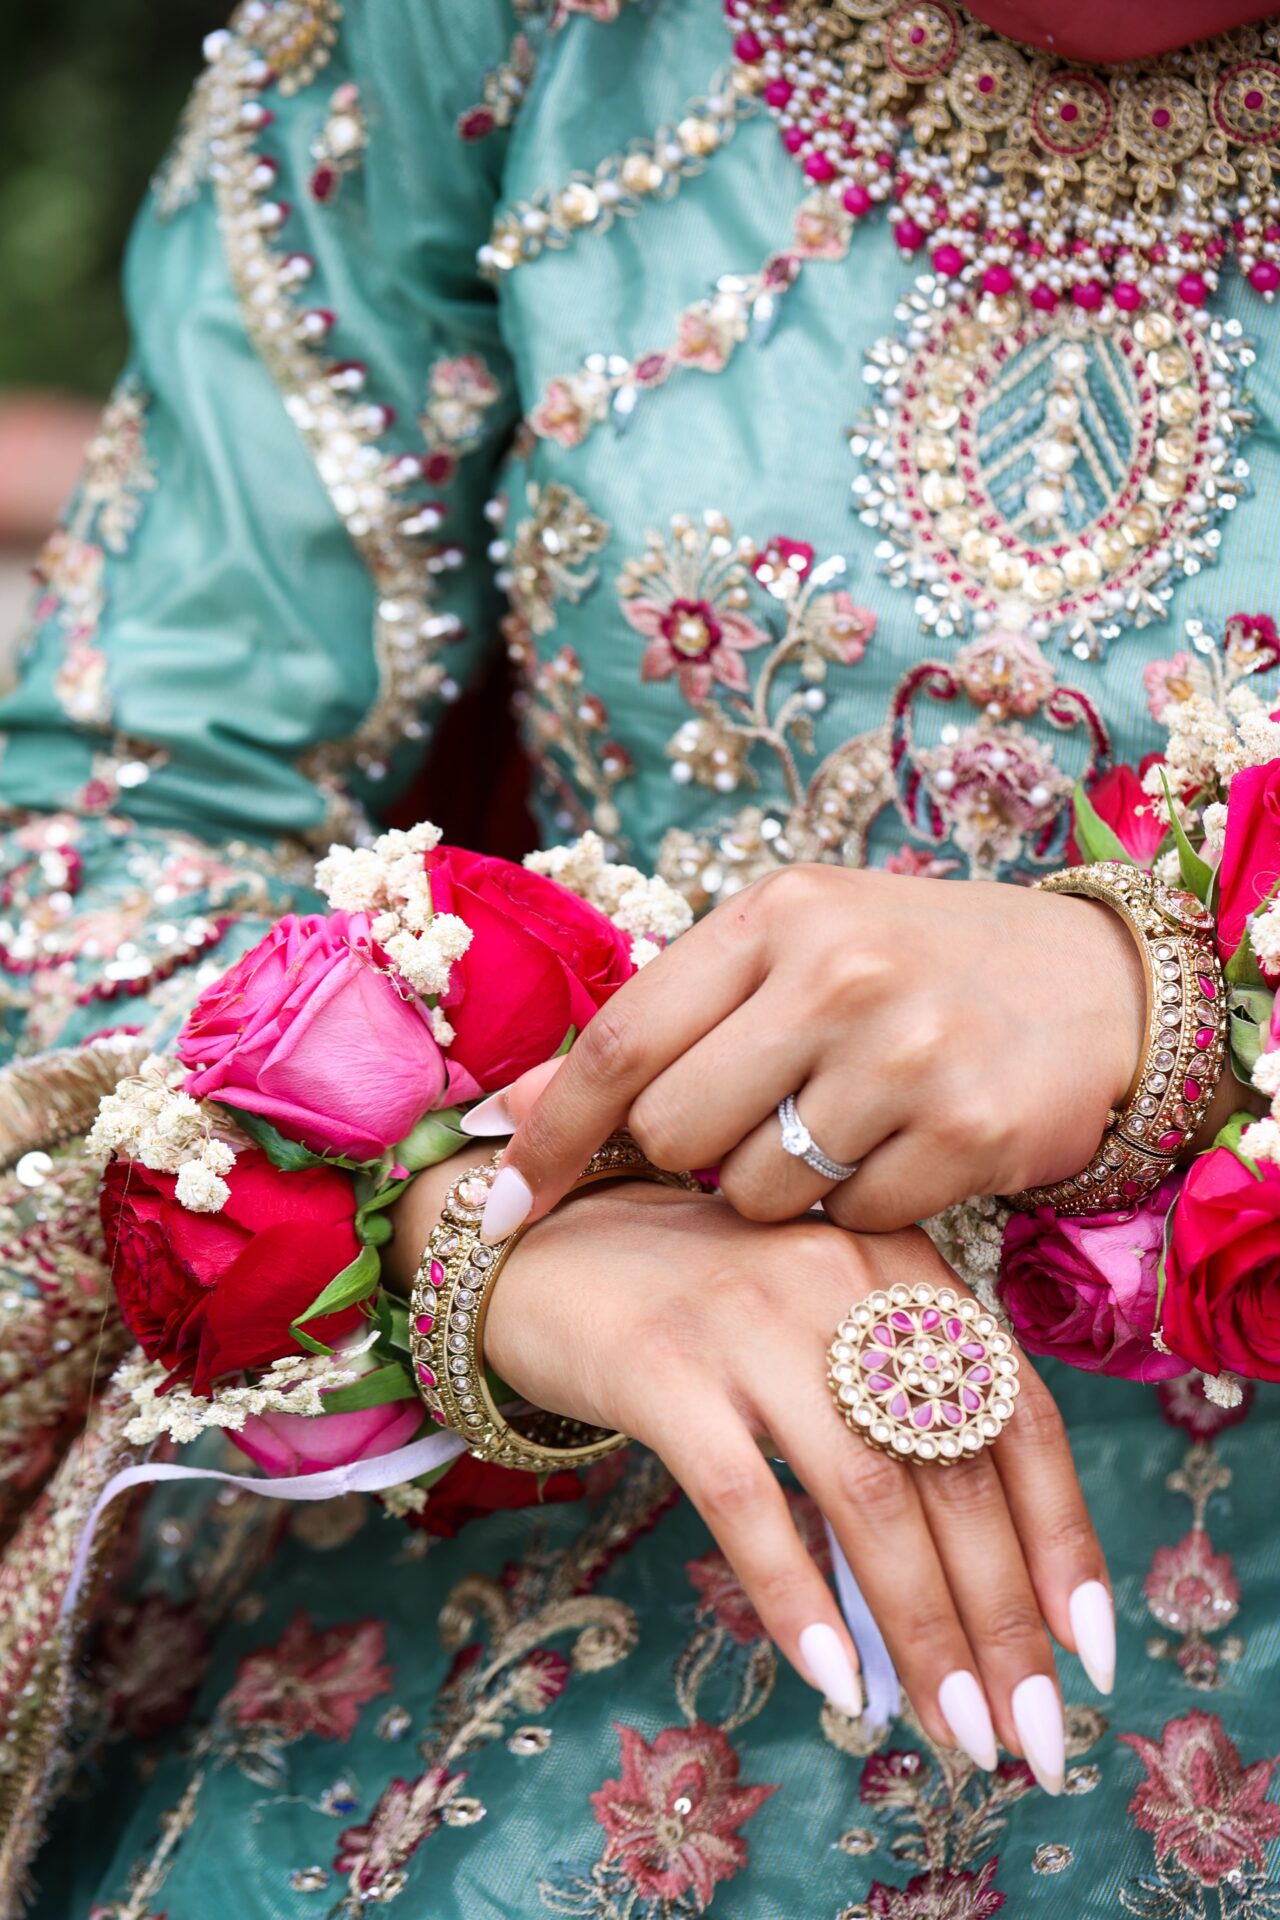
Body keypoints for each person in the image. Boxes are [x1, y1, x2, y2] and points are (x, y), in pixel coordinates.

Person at [0, 1, 1277, 1914]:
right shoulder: (503, 32)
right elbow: (112, 826)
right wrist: (466, 1214)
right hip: (533, 1512)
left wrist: (1177, 1003)